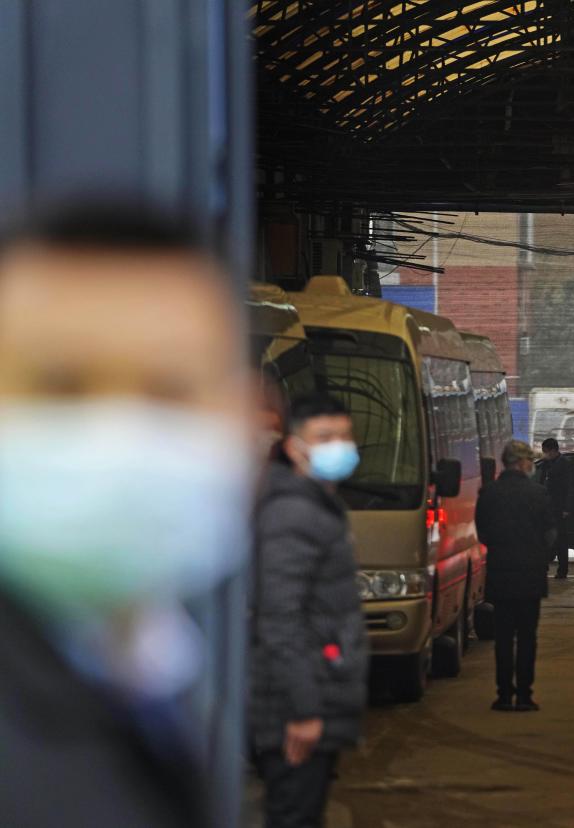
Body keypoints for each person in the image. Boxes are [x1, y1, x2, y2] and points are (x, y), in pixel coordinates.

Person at [0, 204, 253, 828]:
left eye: (169, 390)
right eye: (61, 387)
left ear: (246, 418)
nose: (117, 434)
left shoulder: (150, 681)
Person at [249, 393, 369, 828]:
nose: (336, 445)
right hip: (293, 708)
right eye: (323, 437)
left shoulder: (315, 507)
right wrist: (302, 710)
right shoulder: (292, 513)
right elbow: (280, 619)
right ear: (294, 447)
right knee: (294, 815)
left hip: (315, 694)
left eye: (342, 435)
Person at [476, 440, 556, 712]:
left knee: (503, 638)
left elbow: (482, 534)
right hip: (530, 577)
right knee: (526, 637)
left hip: (500, 575)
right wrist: (539, 556)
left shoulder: (488, 493)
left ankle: (502, 695)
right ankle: (524, 695)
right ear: (522, 463)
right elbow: (550, 534)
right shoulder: (539, 493)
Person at [537, 437, 573, 579]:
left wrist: (567, 507)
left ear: (553, 450)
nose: (544, 454)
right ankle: (544, 565)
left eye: (546, 451)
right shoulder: (546, 464)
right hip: (546, 506)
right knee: (545, 537)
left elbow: (570, 487)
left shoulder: (565, 464)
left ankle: (563, 569)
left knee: (561, 539)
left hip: (559, 506)